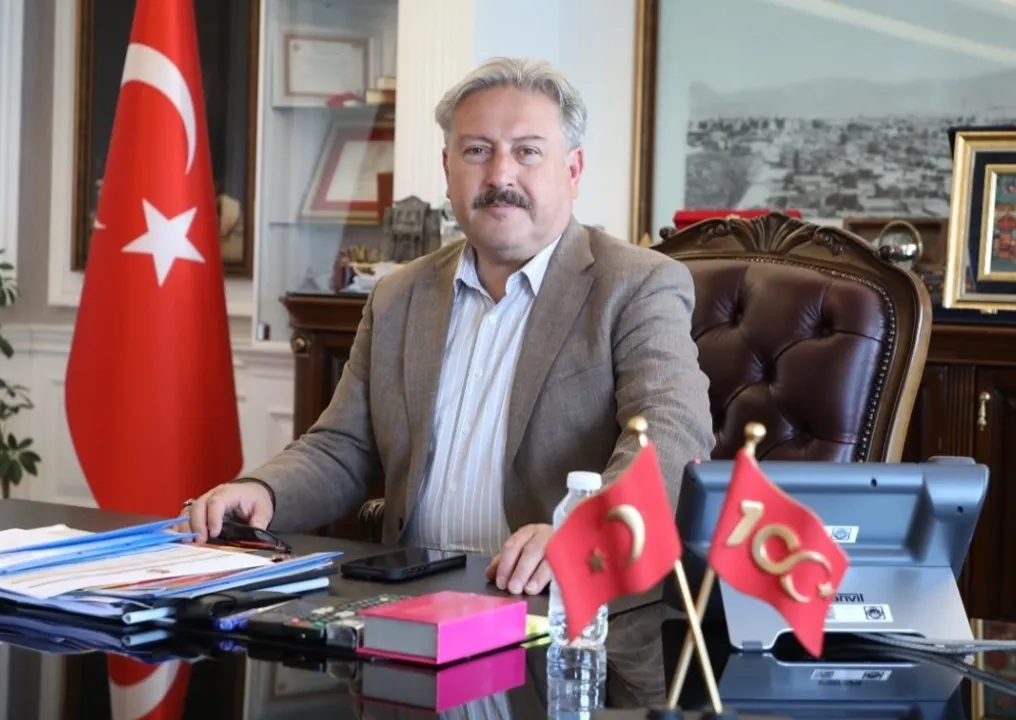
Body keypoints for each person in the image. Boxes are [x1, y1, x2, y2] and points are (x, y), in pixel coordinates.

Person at [182, 57, 714, 596]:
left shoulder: (636, 284)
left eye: (527, 151)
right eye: (477, 150)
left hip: (558, 607)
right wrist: (263, 491)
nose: (500, 175)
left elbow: (672, 433)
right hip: (409, 598)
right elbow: (342, 446)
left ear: (573, 170)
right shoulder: (399, 295)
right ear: (447, 167)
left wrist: (583, 532)